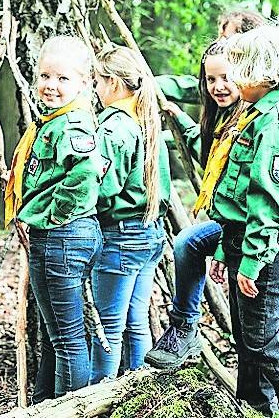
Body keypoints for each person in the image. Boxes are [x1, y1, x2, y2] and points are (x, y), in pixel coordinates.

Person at [146, 20, 279, 371]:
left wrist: (241, 252)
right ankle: (256, 388)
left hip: (266, 229)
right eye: (211, 79)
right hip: (244, 228)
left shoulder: (264, 119)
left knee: (275, 310)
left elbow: (264, 198)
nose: (219, 86)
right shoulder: (235, 115)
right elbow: (217, 155)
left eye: (228, 74)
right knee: (255, 318)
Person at [208, 25, 279, 417]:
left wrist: (253, 261)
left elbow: (268, 202)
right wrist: (228, 251)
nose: (232, 76)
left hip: (271, 240)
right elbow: (236, 196)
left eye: (238, 66)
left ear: (261, 72)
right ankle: (256, 408)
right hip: (246, 237)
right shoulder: (256, 116)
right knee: (245, 333)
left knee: (264, 337)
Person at [4, 36, 102, 403]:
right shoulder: (51, 124)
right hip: (59, 236)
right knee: (55, 332)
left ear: (84, 83)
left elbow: (87, 172)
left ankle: (73, 409)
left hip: (64, 235)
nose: (51, 85)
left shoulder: (72, 125)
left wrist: (51, 214)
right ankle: (46, 404)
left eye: (63, 79)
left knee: (68, 337)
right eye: (45, 76)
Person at [89, 45, 172, 383]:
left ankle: (95, 396)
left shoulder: (114, 129)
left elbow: (103, 188)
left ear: (113, 84)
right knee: (135, 319)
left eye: (97, 81)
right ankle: (138, 390)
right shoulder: (146, 122)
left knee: (107, 326)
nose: (95, 89)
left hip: (121, 236)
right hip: (150, 233)